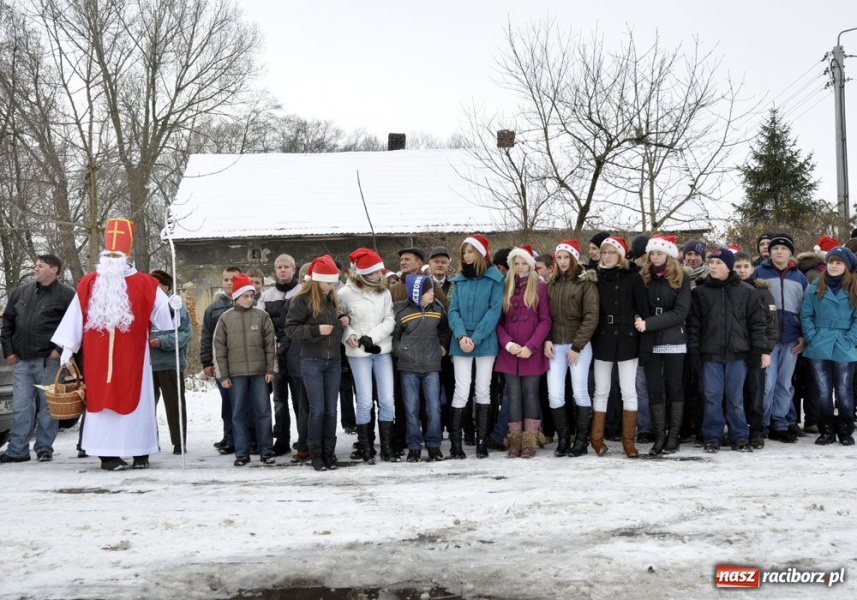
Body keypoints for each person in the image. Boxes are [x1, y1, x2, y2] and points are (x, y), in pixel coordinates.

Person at [52, 218, 179, 471]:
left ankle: (140, 451)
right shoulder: (89, 282)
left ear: (127, 255)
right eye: (108, 252)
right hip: (98, 359)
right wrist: (68, 349)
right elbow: (75, 317)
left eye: (116, 253)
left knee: (138, 402)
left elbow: (165, 321)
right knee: (101, 404)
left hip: (135, 358)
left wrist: (173, 307)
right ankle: (107, 456)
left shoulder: (146, 283)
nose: (111, 257)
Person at [688, 248, 769, 453]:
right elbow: (694, 326)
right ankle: (712, 437)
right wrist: (694, 351)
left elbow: (757, 324)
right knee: (712, 397)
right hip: (710, 355)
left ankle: (739, 436)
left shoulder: (747, 291)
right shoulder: (700, 293)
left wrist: (759, 350)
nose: (713, 266)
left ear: (728, 266)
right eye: (711, 262)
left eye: (718, 263)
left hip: (738, 354)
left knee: (736, 399)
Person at [0, 255, 75, 464]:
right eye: (35, 266)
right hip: (22, 360)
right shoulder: (21, 292)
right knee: (22, 406)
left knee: (49, 407)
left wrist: (59, 349)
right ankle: (17, 450)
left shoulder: (66, 295)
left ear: (54, 269)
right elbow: (7, 323)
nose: (36, 269)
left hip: (49, 360)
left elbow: (74, 325)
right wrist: (8, 350)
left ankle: (44, 448)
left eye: (40, 266)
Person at [284, 255, 346, 472]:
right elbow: (291, 329)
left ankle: (329, 452)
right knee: (317, 409)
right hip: (312, 360)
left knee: (331, 409)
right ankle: (315, 453)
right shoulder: (301, 300)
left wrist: (341, 323)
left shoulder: (331, 299)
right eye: (329, 282)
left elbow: (333, 332)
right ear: (317, 279)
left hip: (333, 361)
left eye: (333, 282)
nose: (332, 286)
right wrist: (314, 330)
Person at [590, 236, 650, 458]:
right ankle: (596, 440)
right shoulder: (594, 277)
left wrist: (638, 327)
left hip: (627, 338)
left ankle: (628, 442)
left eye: (611, 252)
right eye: (604, 252)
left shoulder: (633, 278)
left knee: (628, 390)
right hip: (602, 338)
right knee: (601, 390)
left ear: (621, 255)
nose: (606, 256)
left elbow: (643, 309)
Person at [447, 234, 504, 459]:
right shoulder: (459, 280)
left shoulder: (495, 280)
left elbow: (494, 311)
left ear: (480, 254)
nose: (467, 256)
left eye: (470, 251)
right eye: (464, 252)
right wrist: (461, 336)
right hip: (461, 341)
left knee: (483, 388)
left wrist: (476, 337)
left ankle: (482, 442)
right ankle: (455, 444)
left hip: (485, 340)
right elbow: (453, 311)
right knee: (461, 389)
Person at [338, 248, 396, 464]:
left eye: (379, 271)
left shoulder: (384, 292)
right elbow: (341, 320)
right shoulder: (345, 293)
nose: (377, 275)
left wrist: (372, 337)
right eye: (372, 272)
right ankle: (366, 446)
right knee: (364, 401)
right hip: (358, 353)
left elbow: (390, 319)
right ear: (361, 272)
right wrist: (349, 334)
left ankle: (387, 447)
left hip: (381, 349)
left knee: (387, 400)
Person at [635, 235, 690, 455]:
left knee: (674, 387)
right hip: (649, 340)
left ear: (669, 255)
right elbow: (637, 303)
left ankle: (673, 436)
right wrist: (639, 319)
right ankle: (659, 436)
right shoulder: (644, 277)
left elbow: (680, 312)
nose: (655, 256)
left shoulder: (681, 278)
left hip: (674, 339)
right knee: (654, 388)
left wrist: (649, 323)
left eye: (659, 252)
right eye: (653, 253)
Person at [213, 273, 277, 466]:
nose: (250, 299)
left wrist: (270, 369)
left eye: (251, 295)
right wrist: (223, 375)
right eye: (245, 296)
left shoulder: (262, 316)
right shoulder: (225, 319)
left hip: (259, 372)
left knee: (263, 411)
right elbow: (219, 349)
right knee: (238, 413)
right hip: (236, 374)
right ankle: (242, 453)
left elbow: (270, 345)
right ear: (236, 297)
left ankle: (266, 450)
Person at [495, 247, 552, 458]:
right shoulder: (505, 286)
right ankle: (515, 440)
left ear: (530, 264)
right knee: (513, 395)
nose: (519, 267)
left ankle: (530, 440)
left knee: (530, 394)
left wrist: (532, 346)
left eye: (523, 263)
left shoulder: (539, 287)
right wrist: (508, 344)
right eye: (516, 263)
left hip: (531, 351)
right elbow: (497, 321)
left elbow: (546, 320)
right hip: (510, 351)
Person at [544, 240, 598, 457]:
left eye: (567, 257)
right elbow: (545, 316)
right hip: (555, 345)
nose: (563, 262)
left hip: (579, 346)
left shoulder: (586, 283)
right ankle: (564, 438)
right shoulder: (552, 283)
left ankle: (581, 441)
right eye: (559, 257)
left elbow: (591, 316)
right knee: (555, 394)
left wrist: (577, 346)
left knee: (580, 392)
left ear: (574, 258)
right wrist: (547, 339)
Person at [753, 233, 808, 443]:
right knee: (767, 384)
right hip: (768, 339)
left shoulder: (799, 276)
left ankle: (780, 422)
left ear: (790, 253)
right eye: (775, 248)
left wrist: (803, 336)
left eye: (784, 249)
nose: (779, 251)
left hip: (792, 339)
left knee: (785, 384)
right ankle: (763, 423)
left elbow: (806, 309)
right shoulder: (759, 272)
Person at [799, 246, 857, 446]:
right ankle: (826, 430)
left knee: (843, 389)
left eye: (838, 262)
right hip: (819, 343)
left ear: (846, 266)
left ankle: (845, 430)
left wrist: (851, 339)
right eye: (831, 261)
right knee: (823, 389)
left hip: (844, 342)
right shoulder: (816, 285)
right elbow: (806, 315)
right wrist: (812, 336)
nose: (833, 265)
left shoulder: (854, 287)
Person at [393, 274, 450, 462]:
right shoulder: (401, 311)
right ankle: (414, 446)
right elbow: (395, 336)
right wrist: (400, 351)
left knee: (434, 407)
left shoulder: (437, 309)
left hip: (432, 365)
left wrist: (443, 345)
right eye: (428, 291)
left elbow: (444, 329)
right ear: (417, 293)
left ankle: (434, 444)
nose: (432, 293)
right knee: (411, 408)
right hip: (409, 366)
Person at [733, 252, 778, 449]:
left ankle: (756, 431)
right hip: (734, 350)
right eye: (737, 267)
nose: (741, 271)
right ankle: (737, 429)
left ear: (752, 269)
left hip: (756, 349)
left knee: (756, 392)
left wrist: (766, 350)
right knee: (735, 394)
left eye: (745, 266)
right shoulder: (729, 289)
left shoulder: (762, 291)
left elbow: (771, 324)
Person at [258, 254, 301, 455]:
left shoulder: (302, 292)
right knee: (279, 400)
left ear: (294, 270)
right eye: (279, 267)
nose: (282, 270)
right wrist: (271, 343)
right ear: (274, 271)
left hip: (298, 355)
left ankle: (304, 439)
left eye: (286, 267)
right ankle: (282, 440)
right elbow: (260, 326)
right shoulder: (266, 297)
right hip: (275, 356)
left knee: (301, 400)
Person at [149, 270, 192, 455]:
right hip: (147, 365)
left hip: (169, 363)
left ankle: (178, 442)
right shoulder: (144, 306)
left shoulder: (177, 307)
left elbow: (184, 334)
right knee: (147, 408)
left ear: (166, 287)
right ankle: (148, 441)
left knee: (174, 405)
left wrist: (162, 341)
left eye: (157, 285)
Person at [201, 266, 243, 454]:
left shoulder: (249, 302)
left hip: (243, 363)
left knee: (243, 403)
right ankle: (230, 437)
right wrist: (207, 362)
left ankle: (247, 438)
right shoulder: (213, 309)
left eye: (232, 279)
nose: (228, 283)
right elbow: (206, 336)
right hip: (221, 363)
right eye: (226, 279)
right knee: (227, 402)